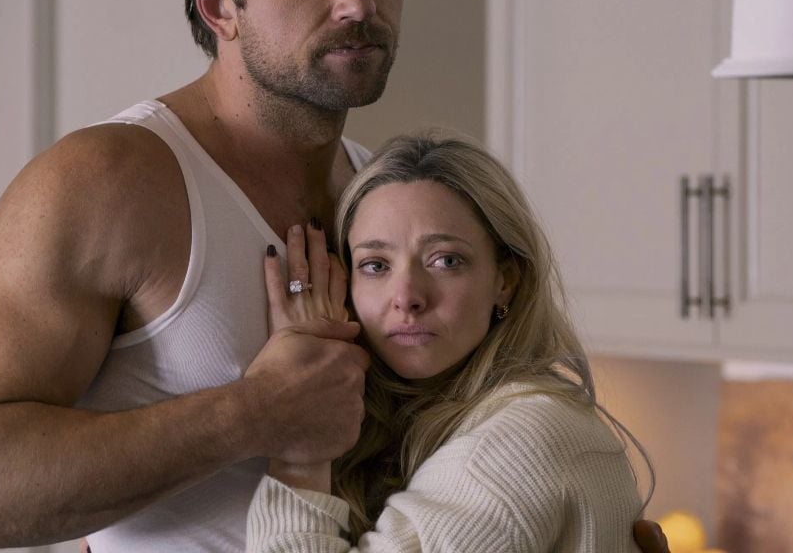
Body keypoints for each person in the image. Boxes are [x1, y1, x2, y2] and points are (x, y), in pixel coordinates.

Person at [0, 0, 671, 551]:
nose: (359, 3)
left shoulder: (384, 206)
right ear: (219, 5)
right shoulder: (110, 183)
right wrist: (255, 414)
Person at [246, 133, 651, 552]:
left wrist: (302, 454)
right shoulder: (437, 423)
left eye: (445, 260)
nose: (406, 297)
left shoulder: (519, 440)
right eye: (376, 265)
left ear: (505, 281)